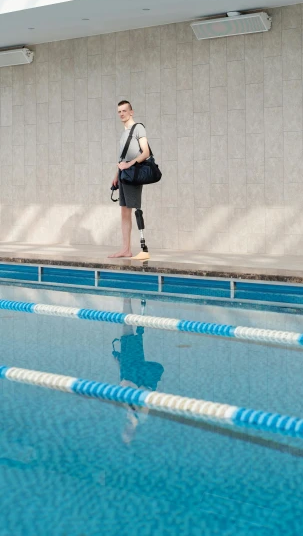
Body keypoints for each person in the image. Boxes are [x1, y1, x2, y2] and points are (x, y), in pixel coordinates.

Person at [112, 298, 164, 444]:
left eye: (125, 433)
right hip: (135, 373)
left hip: (129, 370)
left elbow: (124, 388)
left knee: (127, 332)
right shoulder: (140, 418)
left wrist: (120, 367)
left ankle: (128, 300)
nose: (126, 431)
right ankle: (127, 299)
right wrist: (132, 385)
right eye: (128, 433)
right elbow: (147, 392)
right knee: (127, 331)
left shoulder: (127, 417)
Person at [109, 100, 150, 259]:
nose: (121, 114)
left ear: (131, 112)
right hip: (124, 175)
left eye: (124, 111)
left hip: (133, 174)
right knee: (124, 212)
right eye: (119, 111)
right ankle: (125, 249)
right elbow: (122, 158)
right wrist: (116, 175)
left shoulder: (138, 128)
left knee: (133, 209)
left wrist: (129, 165)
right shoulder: (124, 133)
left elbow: (145, 152)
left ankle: (138, 248)